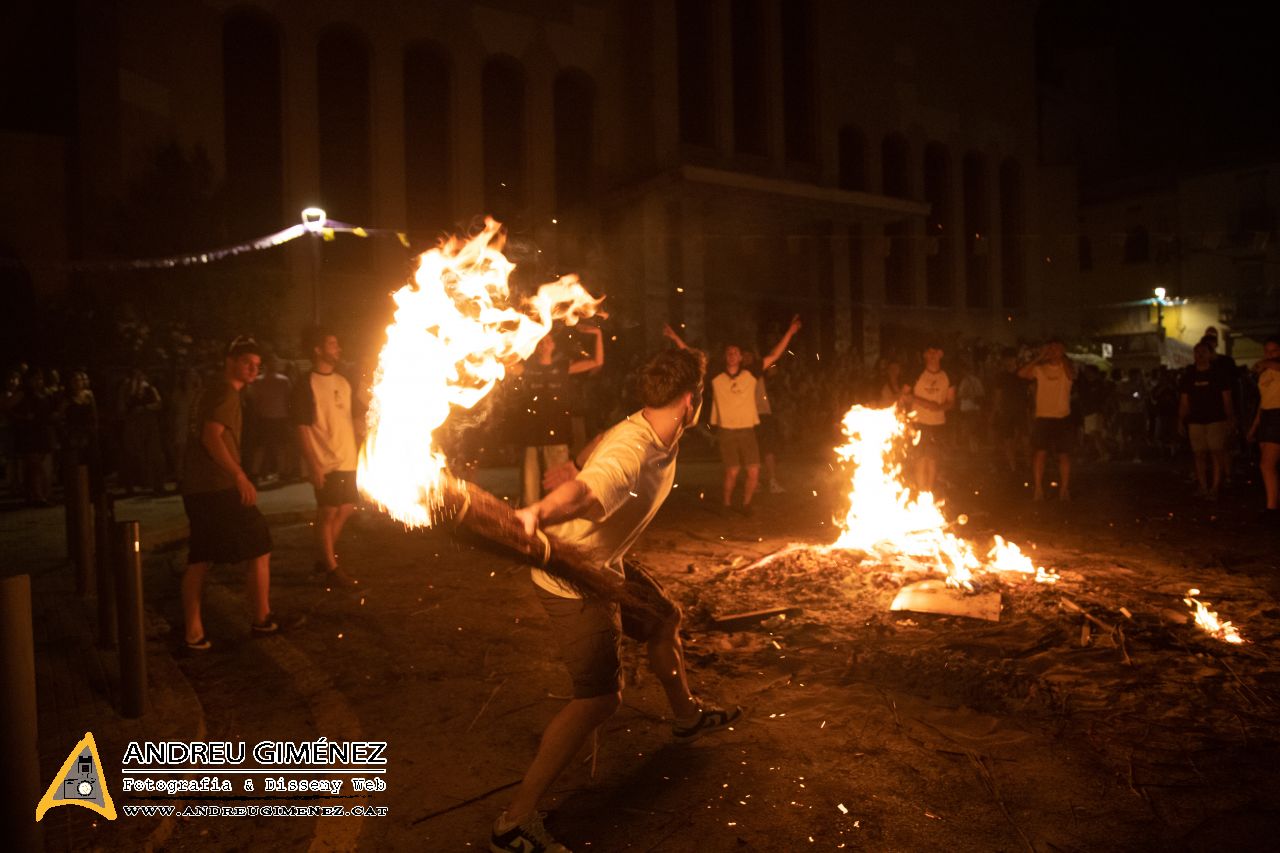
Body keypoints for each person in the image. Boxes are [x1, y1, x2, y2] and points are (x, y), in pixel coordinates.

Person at [494, 347, 740, 853]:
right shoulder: (634, 450)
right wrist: (538, 511)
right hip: (575, 580)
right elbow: (590, 492)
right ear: (690, 401)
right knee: (599, 699)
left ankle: (686, 718)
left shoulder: (648, 426)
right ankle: (513, 824)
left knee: (662, 619)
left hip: (607, 566)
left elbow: (598, 450)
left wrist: (573, 462)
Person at [179, 336, 278, 651]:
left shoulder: (210, 390)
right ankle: (262, 619)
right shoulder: (225, 394)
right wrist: (239, 475)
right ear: (230, 361)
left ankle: (194, 632)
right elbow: (212, 437)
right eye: (247, 362)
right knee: (260, 543)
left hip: (198, 486)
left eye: (257, 365)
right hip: (217, 486)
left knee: (201, 556)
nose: (253, 368)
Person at [509, 326, 605, 507]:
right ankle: (530, 531)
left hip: (558, 437)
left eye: (547, 341)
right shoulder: (527, 369)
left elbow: (596, 361)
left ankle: (559, 531)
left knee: (557, 491)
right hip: (531, 438)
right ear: (536, 346)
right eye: (541, 342)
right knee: (529, 494)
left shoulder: (563, 367)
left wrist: (598, 335)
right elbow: (504, 366)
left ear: (553, 345)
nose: (544, 344)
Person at [294, 328, 361, 586]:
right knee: (328, 511)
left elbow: (352, 417)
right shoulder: (305, 384)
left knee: (346, 508)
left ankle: (322, 560)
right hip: (324, 460)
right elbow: (300, 427)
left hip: (348, 458)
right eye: (332, 344)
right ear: (318, 350)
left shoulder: (343, 382)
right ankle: (331, 568)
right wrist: (312, 464)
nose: (338, 348)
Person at [1019, 338, 1076, 501]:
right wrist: (1039, 357)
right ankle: (1038, 489)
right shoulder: (1041, 369)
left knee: (1064, 455)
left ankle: (1064, 489)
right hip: (1043, 417)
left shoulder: (1067, 368)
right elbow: (1022, 374)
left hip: (1062, 417)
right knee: (1040, 453)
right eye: (1051, 349)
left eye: (1057, 349)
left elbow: (1072, 376)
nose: (1053, 352)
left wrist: (1062, 358)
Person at [709, 343, 763, 515]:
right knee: (732, 471)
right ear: (726, 357)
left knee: (754, 471)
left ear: (741, 357)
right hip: (727, 431)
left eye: (735, 353)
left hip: (747, 430)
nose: (732, 355)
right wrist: (674, 337)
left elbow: (774, 356)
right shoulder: (716, 376)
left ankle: (746, 505)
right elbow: (693, 356)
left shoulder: (750, 374)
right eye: (729, 353)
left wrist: (790, 332)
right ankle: (726, 505)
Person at [1178, 339, 1235, 500]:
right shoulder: (1189, 376)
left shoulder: (1218, 375)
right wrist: (1181, 420)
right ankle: (1203, 486)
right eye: (1197, 352)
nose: (1200, 355)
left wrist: (1230, 418)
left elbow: (1227, 399)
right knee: (1199, 454)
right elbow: (1184, 401)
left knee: (1216, 453)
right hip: (1195, 420)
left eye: (1203, 352)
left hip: (1216, 419)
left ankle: (1215, 487)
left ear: (1210, 354)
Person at [903, 344, 955, 494]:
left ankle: (928, 493)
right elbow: (904, 395)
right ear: (925, 355)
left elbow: (951, 401)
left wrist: (939, 407)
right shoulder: (916, 374)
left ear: (941, 354)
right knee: (920, 459)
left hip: (937, 423)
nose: (932, 356)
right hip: (919, 422)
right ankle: (920, 491)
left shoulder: (947, 376)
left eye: (935, 352)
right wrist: (923, 403)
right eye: (929, 352)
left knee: (932, 459)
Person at [1246, 336, 1280, 522]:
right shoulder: (1265, 373)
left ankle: (1272, 509)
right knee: (1269, 466)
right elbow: (1263, 401)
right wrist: (1254, 427)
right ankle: (1273, 502)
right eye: (1267, 351)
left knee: (1267, 464)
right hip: (1267, 416)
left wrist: (1265, 362)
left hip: (1278, 415)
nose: (1270, 355)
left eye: (1274, 351)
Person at [249, 355, 295, 483]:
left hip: (266, 418)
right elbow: (289, 398)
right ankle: (282, 473)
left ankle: (256, 473)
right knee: (278, 447)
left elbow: (254, 400)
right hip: (278, 417)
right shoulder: (283, 380)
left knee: (263, 448)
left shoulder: (259, 381)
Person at [990, 349, 1028, 473]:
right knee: (1008, 440)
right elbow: (997, 395)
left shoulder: (1022, 374)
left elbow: (1032, 390)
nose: (1008, 362)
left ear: (1015, 360)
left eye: (1010, 359)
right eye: (1006, 359)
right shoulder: (1000, 376)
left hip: (1021, 410)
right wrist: (996, 410)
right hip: (1006, 411)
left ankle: (1028, 465)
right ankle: (1013, 467)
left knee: (1025, 438)